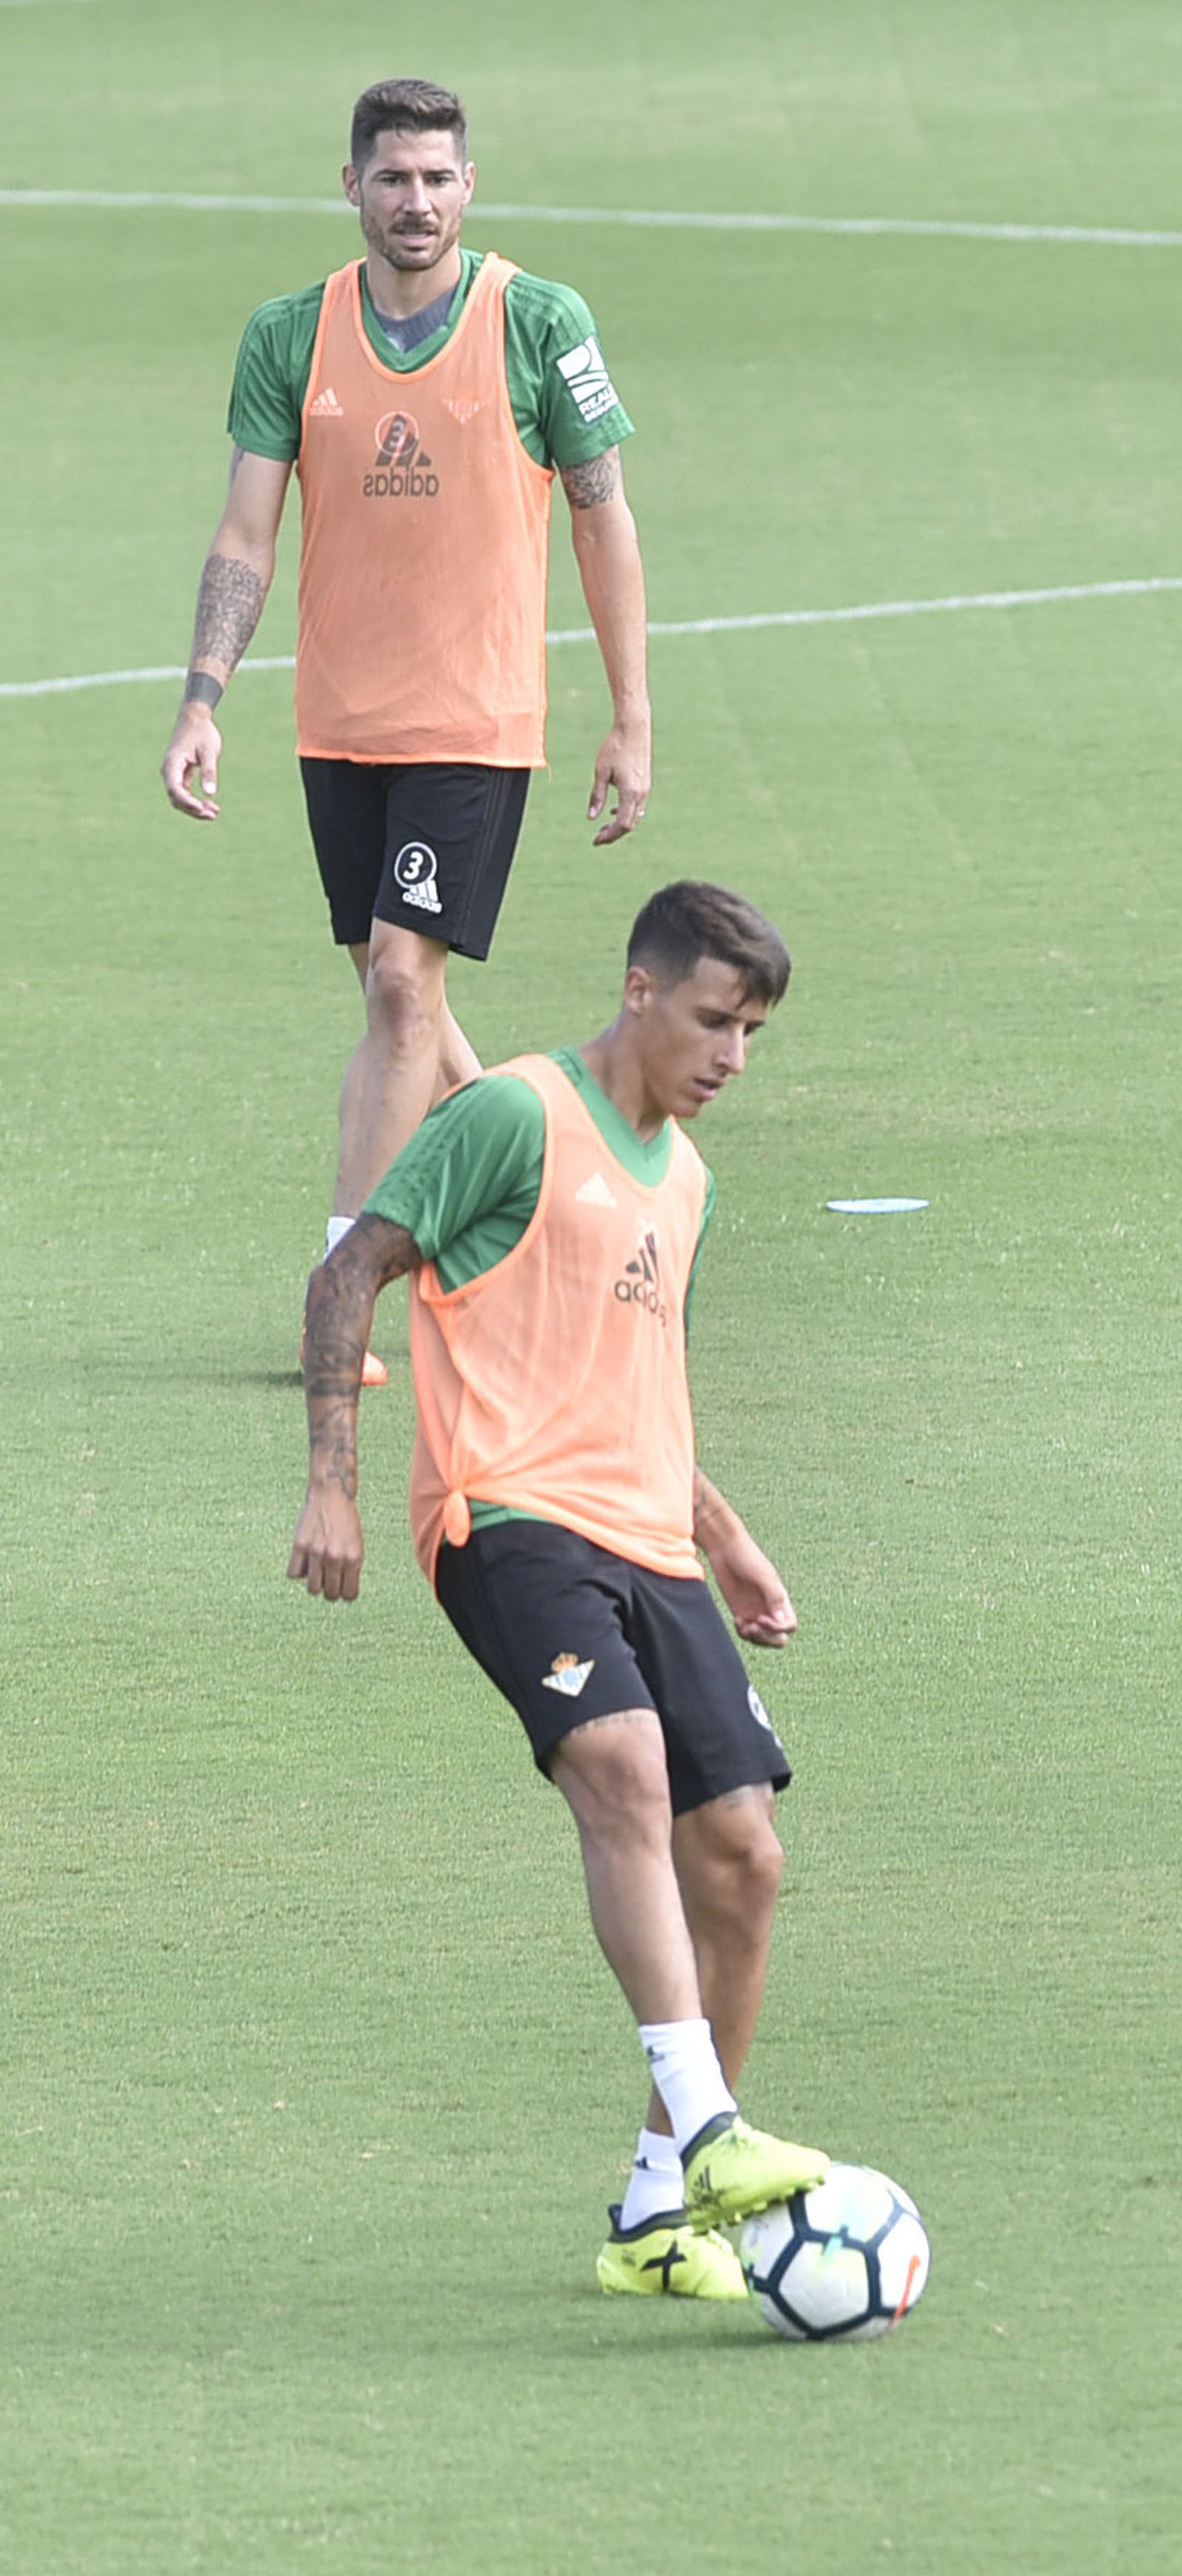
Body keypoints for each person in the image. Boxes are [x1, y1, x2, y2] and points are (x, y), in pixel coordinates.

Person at [287, 881, 830, 2298]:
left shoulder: (686, 1181)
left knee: (745, 1859)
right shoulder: (514, 1115)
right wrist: (334, 1481)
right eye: (714, 1021)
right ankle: (712, 2131)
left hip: (650, 1538)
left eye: (753, 1033)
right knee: (624, 1766)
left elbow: (639, 1379)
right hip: (506, 1515)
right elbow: (349, 1276)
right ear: (640, 990)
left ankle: (656, 2215)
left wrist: (724, 1535)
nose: (732, 1056)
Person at [161, 75, 651, 1384]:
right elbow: (245, 535)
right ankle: (558, 1202)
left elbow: (602, 516)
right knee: (408, 1012)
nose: (416, 201)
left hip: (475, 722)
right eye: (393, 178)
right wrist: (203, 698)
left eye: (438, 178)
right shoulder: (290, 335)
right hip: (341, 725)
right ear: (353, 187)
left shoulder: (541, 323)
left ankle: (344, 1293)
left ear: (469, 187)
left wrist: (630, 717)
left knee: (396, 983)